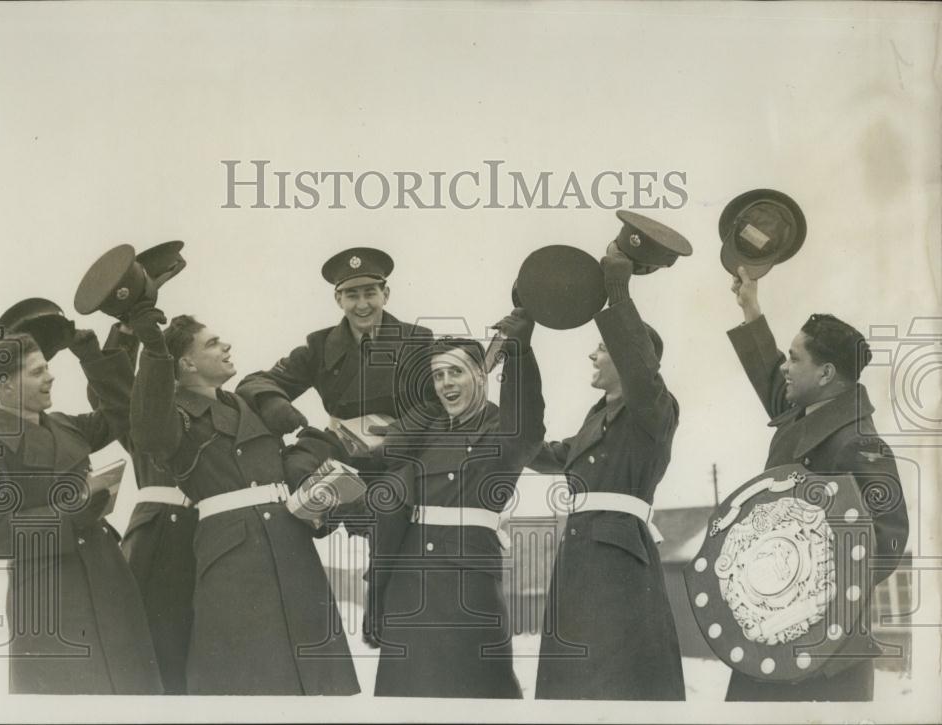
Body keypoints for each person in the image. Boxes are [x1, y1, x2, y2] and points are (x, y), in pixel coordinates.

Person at [128, 306, 359, 696]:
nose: (226, 345)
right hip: (232, 555)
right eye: (213, 343)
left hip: (290, 546)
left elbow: (279, 459)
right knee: (252, 677)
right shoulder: (175, 418)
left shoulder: (247, 404)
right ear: (186, 363)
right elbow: (149, 423)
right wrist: (152, 347)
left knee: (315, 677)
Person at [726, 265, 909, 701]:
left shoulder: (861, 443)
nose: (784, 369)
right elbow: (775, 381)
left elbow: (889, 541)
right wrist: (751, 308)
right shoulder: (806, 416)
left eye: (794, 358)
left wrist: (806, 581)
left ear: (826, 375)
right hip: (772, 637)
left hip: (826, 655)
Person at [236, 246, 433, 645]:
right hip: (342, 450)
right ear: (338, 299)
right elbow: (257, 381)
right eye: (352, 295)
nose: (362, 305)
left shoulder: (417, 340)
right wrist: (279, 408)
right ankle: (337, 515)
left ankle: (376, 602)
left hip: (399, 452)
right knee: (292, 465)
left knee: (391, 504)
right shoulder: (320, 344)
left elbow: (437, 399)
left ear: (386, 294)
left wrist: (398, 431)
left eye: (370, 293)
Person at [529, 242, 685, 701]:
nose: (592, 357)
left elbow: (642, 371)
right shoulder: (596, 418)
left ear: (627, 356)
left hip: (618, 562)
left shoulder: (654, 409)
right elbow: (544, 452)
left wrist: (618, 290)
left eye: (601, 347)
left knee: (620, 681)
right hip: (579, 559)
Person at [0, 329, 162, 695]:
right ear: (6, 385)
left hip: (109, 578)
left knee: (133, 694)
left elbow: (122, 413)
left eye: (48, 368)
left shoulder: (66, 426)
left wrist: (101, 353)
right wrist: (68, 515)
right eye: (37, 371)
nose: (50, 376)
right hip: (52, 596)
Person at [371, 309, 544, 698]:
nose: (445, 383)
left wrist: (519, 353)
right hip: (408, 584)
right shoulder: (427, 430)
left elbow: (529, 423)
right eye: (438, 375)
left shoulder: (503, 429)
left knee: (478, 698)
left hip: (468, 587)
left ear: (481, 376)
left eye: (456, 372)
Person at [86, 319, 196, 695]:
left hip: (205, 537)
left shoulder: (224, 409)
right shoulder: (151, 415)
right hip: (158, 539)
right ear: (183, 364)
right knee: (157, 660)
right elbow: (112, 394)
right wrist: (126, 333)